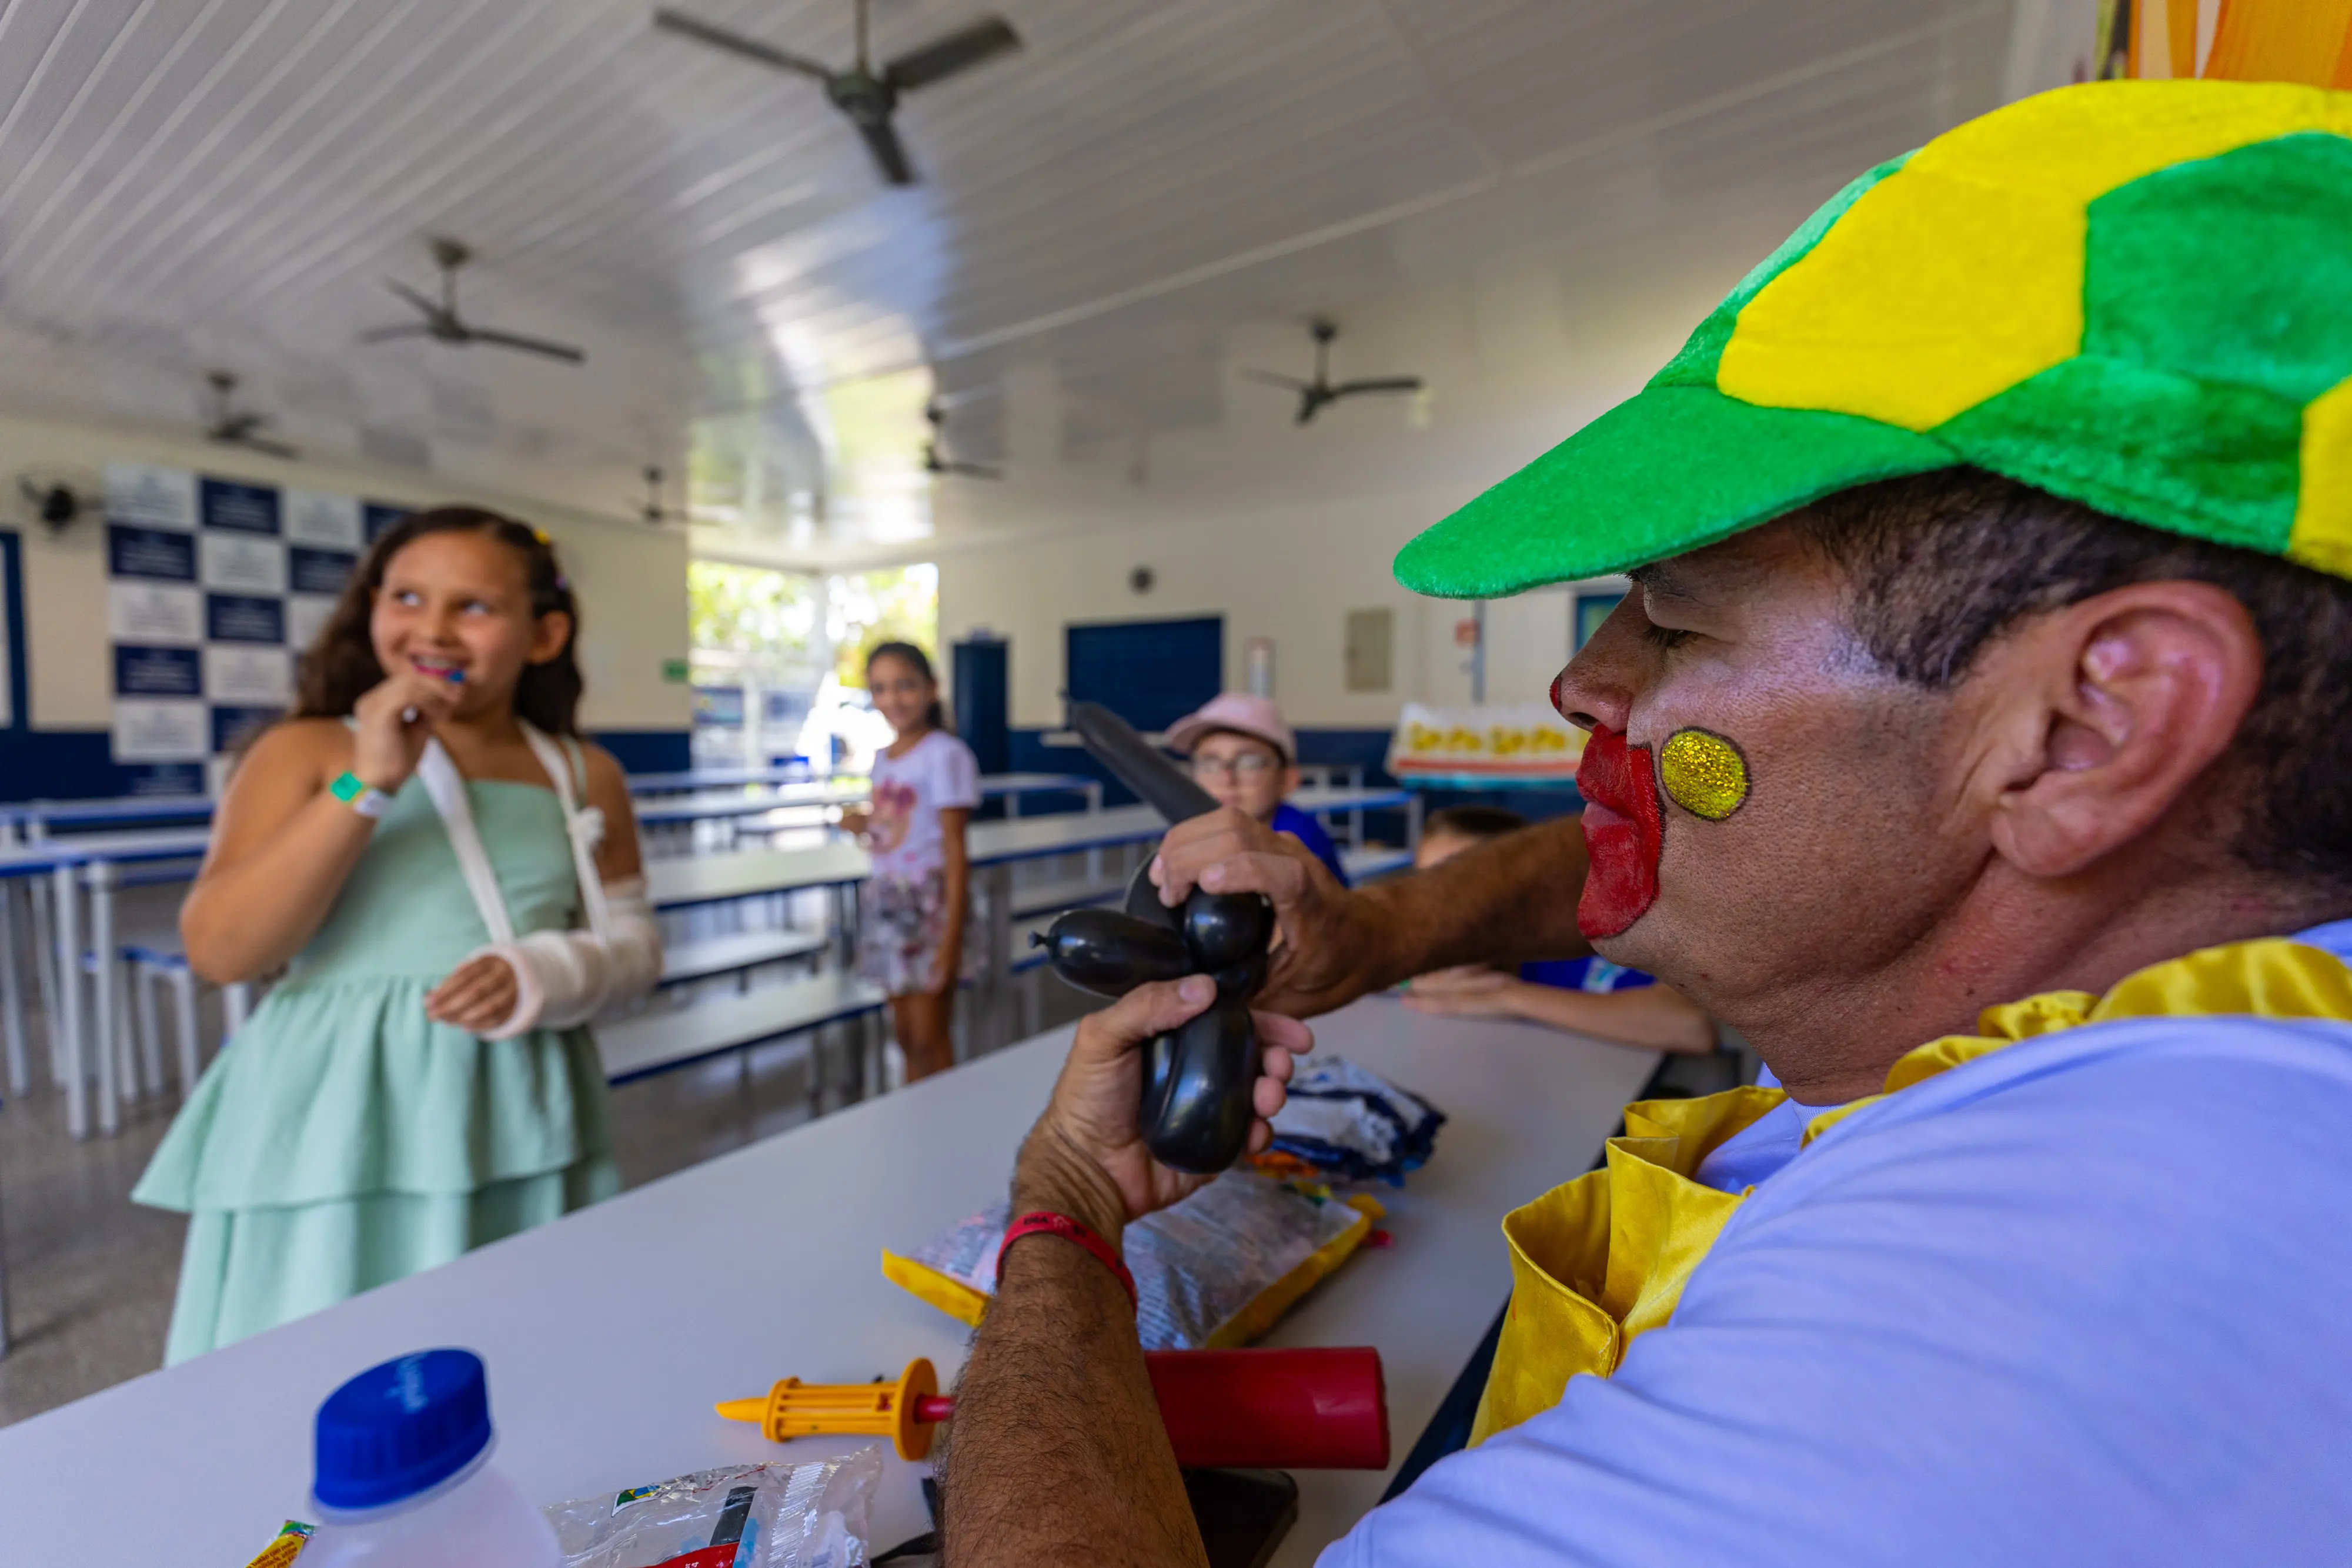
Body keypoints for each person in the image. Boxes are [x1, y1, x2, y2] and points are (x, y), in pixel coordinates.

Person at [936, 81, 2352, 1563]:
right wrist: (1373, 936)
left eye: (1674, 625)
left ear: (2086, 732)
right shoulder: (2225, 1035)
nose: (1580, 680)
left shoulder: (2030, 1321)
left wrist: (1070, 1214)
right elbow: (1692, 839)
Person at [135, 507, 659, 1363]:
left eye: (474, 606)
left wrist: (551, 968)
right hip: (335, 1109)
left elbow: (636, 945)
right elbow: (224, 948)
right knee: (311, 1359)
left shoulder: (581, 770)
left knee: (514, 1353)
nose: (433, 628)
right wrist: (369, 779)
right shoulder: (303, 749)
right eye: (407, 596)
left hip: (517, 1100)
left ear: (543, 634)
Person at [1403, 805, 1713, 1053]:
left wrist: (1508, 997)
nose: (1442, 906)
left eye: (1465, 885)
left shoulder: (1583, 941)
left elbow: (1690, 1027)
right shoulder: (1427, 952)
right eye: (1428, 885)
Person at [841, 641, 978, 1082]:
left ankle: (941, 1127)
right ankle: (914, 1120)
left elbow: (955, 849)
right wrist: (863, 822)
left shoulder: (945, 753)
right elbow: (896, 825)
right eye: (879, 688)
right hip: (887, 901)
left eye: (905, 686)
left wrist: (951, 937)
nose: (892, 699)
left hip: (929, 905)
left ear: (931, 688)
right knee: (902, 1033)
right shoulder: (884, 757)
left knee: (928, 1035)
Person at [1164, 692, 1349, 887]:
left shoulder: (1297, 841)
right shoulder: (1193, 831)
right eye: (1210, 763)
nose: (1227, 779)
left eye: (1249, 763)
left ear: (1288, 779)